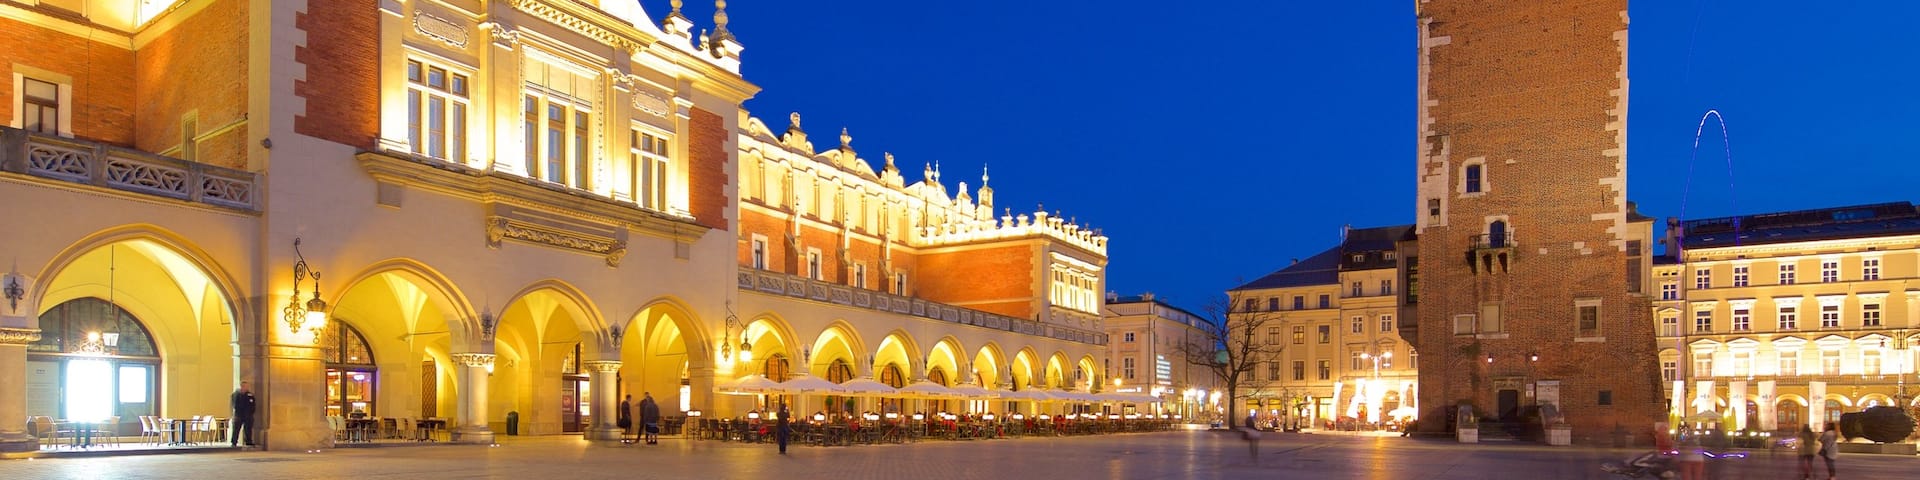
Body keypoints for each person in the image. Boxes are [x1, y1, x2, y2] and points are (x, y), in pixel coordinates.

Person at [230, 381, 257, 447]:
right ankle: (234, 442)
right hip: (239, 414)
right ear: (241, 386)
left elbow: (253, 405)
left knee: (248, 429)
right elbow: (234, 404)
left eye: (247, 386)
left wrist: (251, 412)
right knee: (236, 428)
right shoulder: (236, 394)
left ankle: (248, 441)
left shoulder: (250, 395)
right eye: (244, 386)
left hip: (248, 415)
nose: (246, 388)